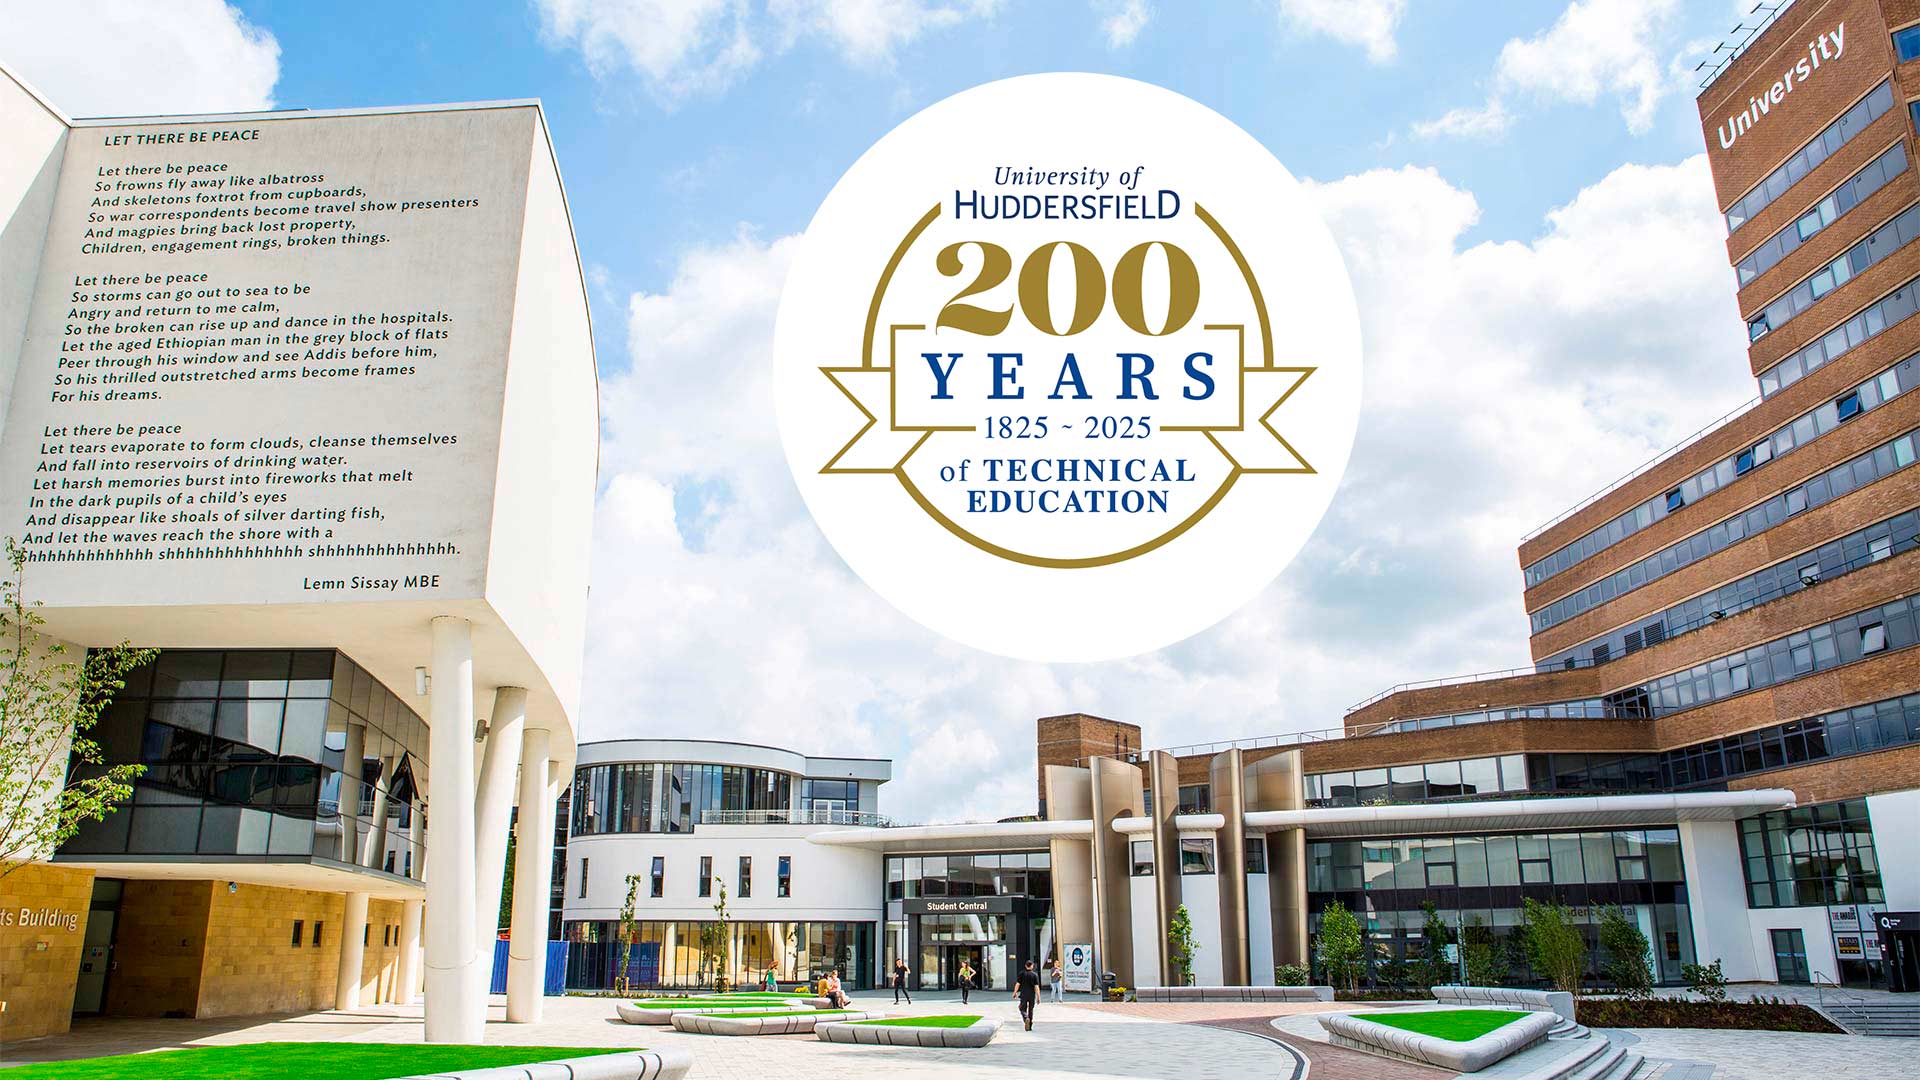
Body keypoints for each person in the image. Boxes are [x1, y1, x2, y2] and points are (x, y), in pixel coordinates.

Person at [1014, 959, 1040, 1030]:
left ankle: (1026, 1018)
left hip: (1024, 994)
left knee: (1022, 1008)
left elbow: (1018, 984)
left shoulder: (1021, 974)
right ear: (1032, 966)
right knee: (1031, 1010)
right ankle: (1030, 1025)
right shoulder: (1035, 975)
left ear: (1025, 966)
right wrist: (1038, 997)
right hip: (1032, 995)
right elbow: (1036, 986)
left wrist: (1015, 992)